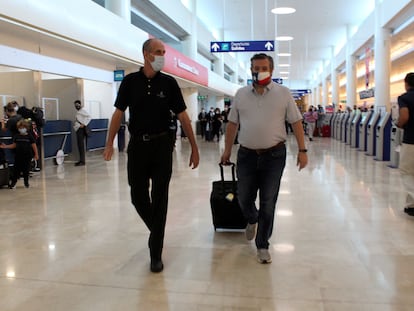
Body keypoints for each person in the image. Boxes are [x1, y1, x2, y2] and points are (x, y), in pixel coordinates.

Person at [103, 38, 199, 273]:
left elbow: (183, 117)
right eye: (158, 52)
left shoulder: (169, 83)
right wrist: (109, 144)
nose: (162, 56)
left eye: (163, 52)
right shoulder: (129, 82)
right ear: (146, 54)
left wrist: (195, 147)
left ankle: (155, 252)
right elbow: (118, 114)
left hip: (162, 146)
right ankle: (156, 232)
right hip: (137, 146)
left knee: (160, 197)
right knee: (137, 196)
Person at [220, 53, 308, 264]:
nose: (259, 71)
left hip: (274, 155)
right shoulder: (241, 94)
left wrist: (303, 150)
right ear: (251, 70)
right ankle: (252, 218)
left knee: (268, 201)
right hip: (247, 155)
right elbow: (232, 124)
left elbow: (296, 122)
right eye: (256, 68)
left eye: (263, 67)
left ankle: (262, 245)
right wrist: (227, 150)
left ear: (271, 69)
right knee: (243, 197)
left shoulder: (283, 93)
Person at [0, 119, 38, 188]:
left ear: (26, 128)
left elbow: (34, 145)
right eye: (20, 128)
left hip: (27, 156)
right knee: (16, 170)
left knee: (26, 170)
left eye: (23, 127)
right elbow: (14, 145)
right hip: (18, 156)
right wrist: (6, 146)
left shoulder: (29, 136)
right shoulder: (17, 136)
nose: (21, 129)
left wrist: (36, 154)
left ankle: (26, 183)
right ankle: (13, 183)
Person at [396, 72, 414, 216]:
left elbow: (404, 116)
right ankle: (410, 206)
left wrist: (399, 124)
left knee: (407, 172)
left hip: (411, 140)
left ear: (406, 83)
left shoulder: (404, 98)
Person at [73, 100, 91, 166]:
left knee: (81, 145)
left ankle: (82, 161)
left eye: (77, 105)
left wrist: (84, 124)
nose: (76, 106)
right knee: (79, 145)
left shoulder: (82, 111)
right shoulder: (78, 112)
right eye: (75, 105)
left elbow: (89, 117)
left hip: (81, 129)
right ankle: (81, 160)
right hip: (78, 129)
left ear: (80, 104)